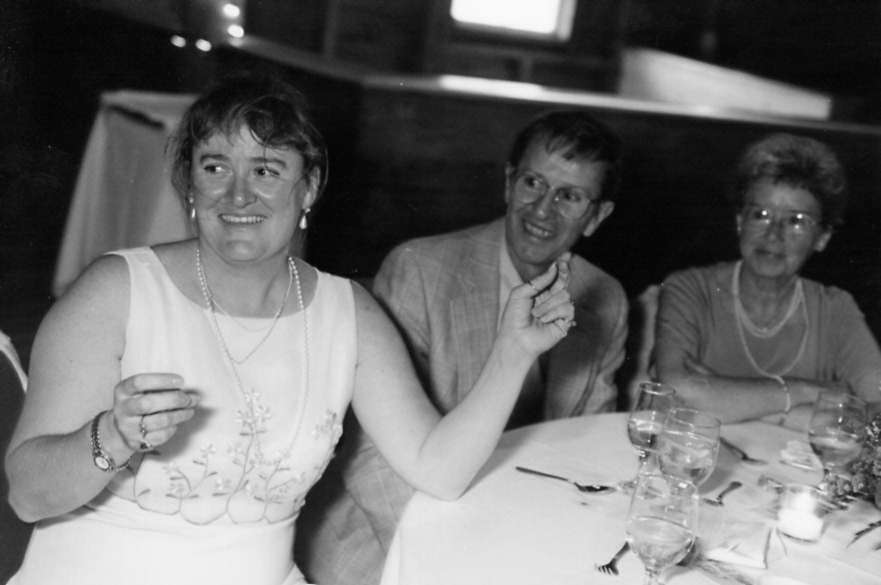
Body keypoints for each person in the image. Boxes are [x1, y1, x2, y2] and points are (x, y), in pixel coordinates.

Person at [3, 74, 576, 585]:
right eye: (215, 167)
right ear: (190, 185)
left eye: (266, 170)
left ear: (309, 188)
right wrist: (113, 436)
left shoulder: (349, 313)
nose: (238, 194)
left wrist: (513, 352)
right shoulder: (116, 292)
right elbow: (28, 497)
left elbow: (439, 469)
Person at [298, 110, 628, 585]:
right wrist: (458, 556)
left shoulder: (605, 299)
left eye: (570, 196)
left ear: (597, 216)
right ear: (509, 183)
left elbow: (592, 445)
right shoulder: (421, 270)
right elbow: (370, 461)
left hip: (525, 525)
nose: (543, 210)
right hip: (395, 528)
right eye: (533, 183)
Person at [655, 133, 881, 427]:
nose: (774, 235)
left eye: (797, 221)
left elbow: (877, 411)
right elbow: (677, 392)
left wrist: (732, 402)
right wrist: (806, 391)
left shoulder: (835, 309)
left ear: (822, 237)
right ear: (740, 221)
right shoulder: (691, 289)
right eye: (761, 214)